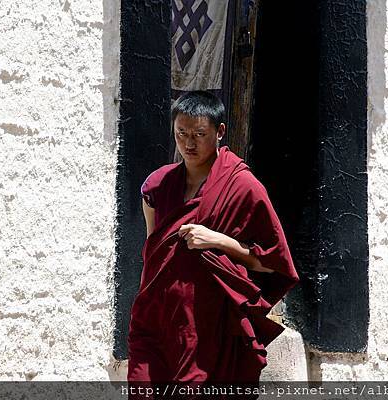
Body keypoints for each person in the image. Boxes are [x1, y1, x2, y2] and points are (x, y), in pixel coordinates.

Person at [127, 91, 300, 396]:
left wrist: (219, 240)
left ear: (220, 132)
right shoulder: (158, 186)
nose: (189, 144)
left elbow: (272, 263)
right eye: (181, 133)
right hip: (155, 320)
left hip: (205, 326)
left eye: (199, 134)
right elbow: (154, 253)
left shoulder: (243, 187)